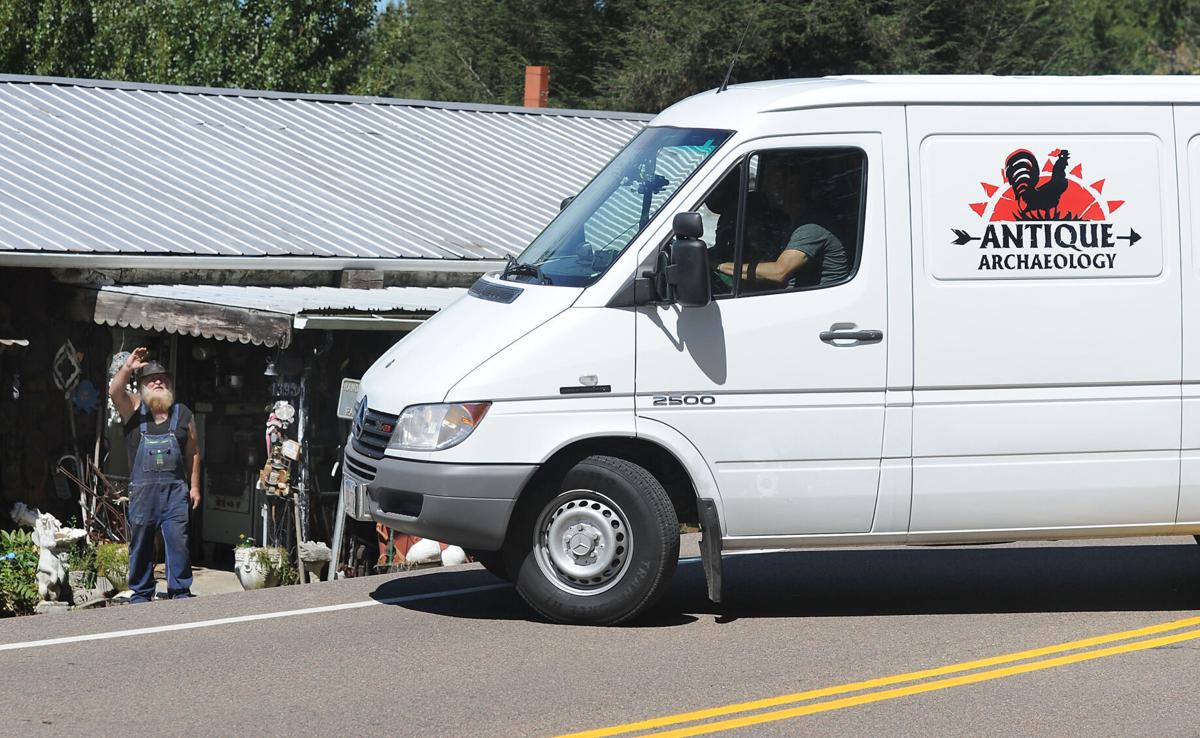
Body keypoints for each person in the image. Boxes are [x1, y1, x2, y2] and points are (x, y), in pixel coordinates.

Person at [108, 347, 200, 602]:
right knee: (140, 545)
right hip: (143, 494)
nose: (158, 381)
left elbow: (193, 453)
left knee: (178, 543)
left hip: (175, 493)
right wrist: (127, 368)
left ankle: (180, 591)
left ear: (169, 385)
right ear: (143, 386)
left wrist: (194, 488)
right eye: (151, 379)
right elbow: (114, 391)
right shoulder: (134, 410)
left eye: (163, 379)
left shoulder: (183, 414)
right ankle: (141, 593)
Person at [717, 161, 850, 290]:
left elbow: (779, 272)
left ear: (792, 182)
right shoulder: (786, 220)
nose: (764, 187)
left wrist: (721, 266)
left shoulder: (811, 226)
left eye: (770, 179)